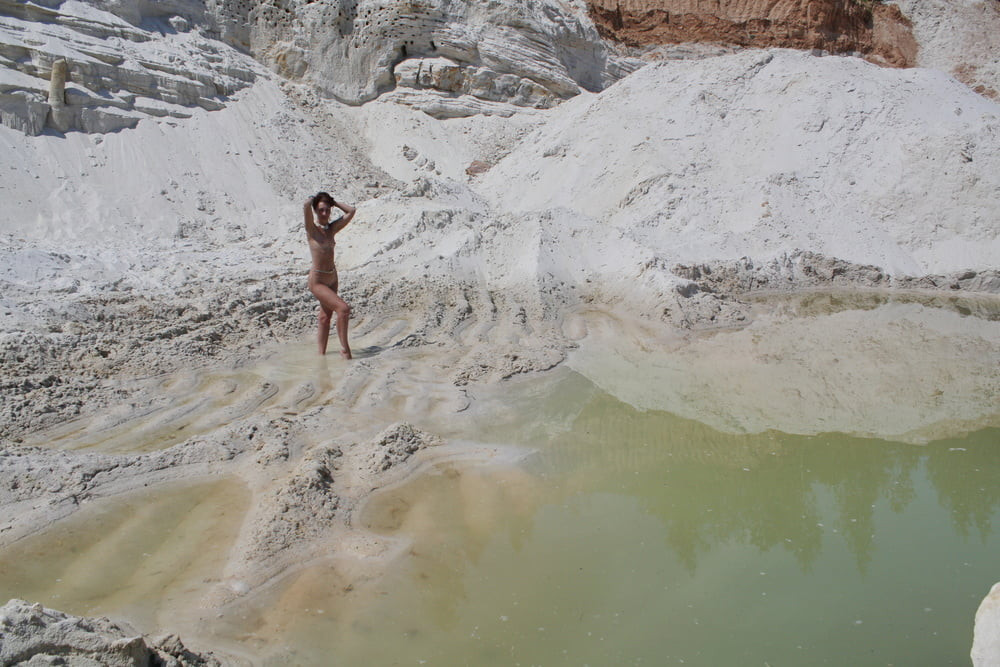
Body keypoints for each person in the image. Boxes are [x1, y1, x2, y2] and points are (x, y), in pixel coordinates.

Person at [304, 192, 356, 358]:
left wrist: (333, 201)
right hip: (317, 281)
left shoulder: (331, 229)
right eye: (321, 211)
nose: (325, 214)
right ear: (316, 212)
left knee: (325, 318)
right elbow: (305, 206)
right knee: (343, 309)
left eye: (327, 210)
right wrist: (314, 199)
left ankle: (321, 357)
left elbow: (351, 211)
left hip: (332, 278)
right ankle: (345, 350)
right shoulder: (312, 230)